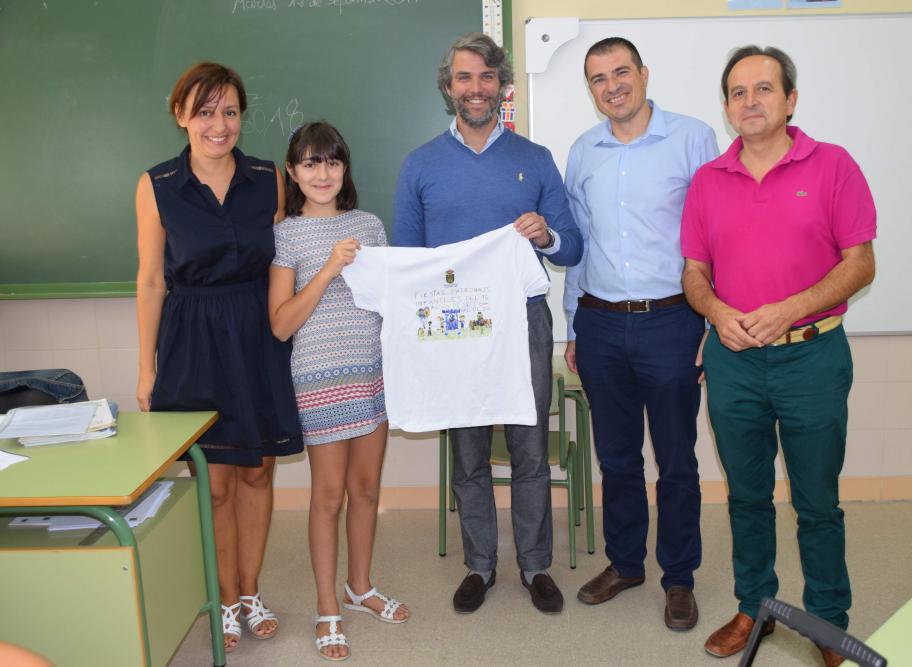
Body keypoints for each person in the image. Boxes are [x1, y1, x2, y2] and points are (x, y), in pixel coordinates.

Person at [680, 46, 876, 667]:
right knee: (747, 496)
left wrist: (789, 310)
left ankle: (827, 622)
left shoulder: (834, 165)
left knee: (817, 500)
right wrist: (715, 312)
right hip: (735, 363)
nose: (750, 102)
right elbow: (693, 273)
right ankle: (754, 606)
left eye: (763, 89)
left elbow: (861, 264)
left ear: (790, 100)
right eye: (738, 92)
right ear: (727, 106)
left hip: (811, 358)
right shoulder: (709, 180)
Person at [393, 32, 583, 614]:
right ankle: (481, 565)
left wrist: (545, 235)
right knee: (469, 452)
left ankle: (534, 566)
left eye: (485, 77)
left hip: (523, 323)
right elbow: (407, 258)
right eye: (462, 78)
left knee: (529, 449)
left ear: (502, 86)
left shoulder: (535, 159)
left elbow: (572, 247)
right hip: (453, 330)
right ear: (448, 87)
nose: (474, 89)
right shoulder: (420, 164)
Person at [135, 62, 303, 653]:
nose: (219, 124)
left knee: (258, 470)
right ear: (180, 115)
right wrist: (146, 367)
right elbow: (152, 280)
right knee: (216, 483)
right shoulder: (157, 184)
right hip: (193, 338)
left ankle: (250, 591)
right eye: (205, 111)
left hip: (257, 334)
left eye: (229, 111)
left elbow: (286, 263)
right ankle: (223, 597)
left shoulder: (268, 179)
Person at [563, 37, 719, 630]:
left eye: (621, 72)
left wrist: (713, 317)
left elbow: (716, 233)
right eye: (599, 78)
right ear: (592, 89)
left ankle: (679, 578)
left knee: (676, 461)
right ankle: (625, 563)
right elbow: (578, 246)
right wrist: (575, 320)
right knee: (618, 458)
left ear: (644, 74)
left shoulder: (692, 137)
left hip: (673, 321)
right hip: (600, 324)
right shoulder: (582, 151)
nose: (613, 85)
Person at [268, 121, 409, 661]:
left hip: (371, 371)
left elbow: (393, 301)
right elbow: (281, 324)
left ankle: (360, 587)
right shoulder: (286, 234)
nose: (321, 173)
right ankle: (328, 606)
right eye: (309, 163)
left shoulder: (369, 225)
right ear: (292, 172)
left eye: (330, 162)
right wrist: (328, 268)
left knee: (367, 488)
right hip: (320, 378)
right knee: (328, 496)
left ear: (344, 168)